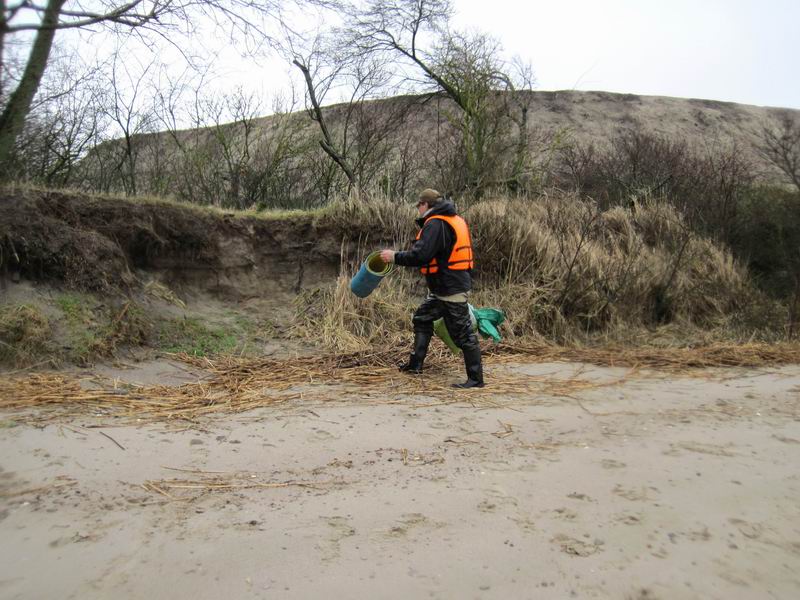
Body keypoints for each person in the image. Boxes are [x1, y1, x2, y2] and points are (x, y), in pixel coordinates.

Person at [380, 188, 484, 389]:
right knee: (422, 318)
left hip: (450, 288)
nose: (418, 210)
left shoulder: (436, 223)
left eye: (418, 205)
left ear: (425, 205)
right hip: (445, 287)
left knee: (462, 334)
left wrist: (394, 257)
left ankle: (476, 379)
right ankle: (415, 365)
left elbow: (421, 255)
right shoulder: (451, 219)